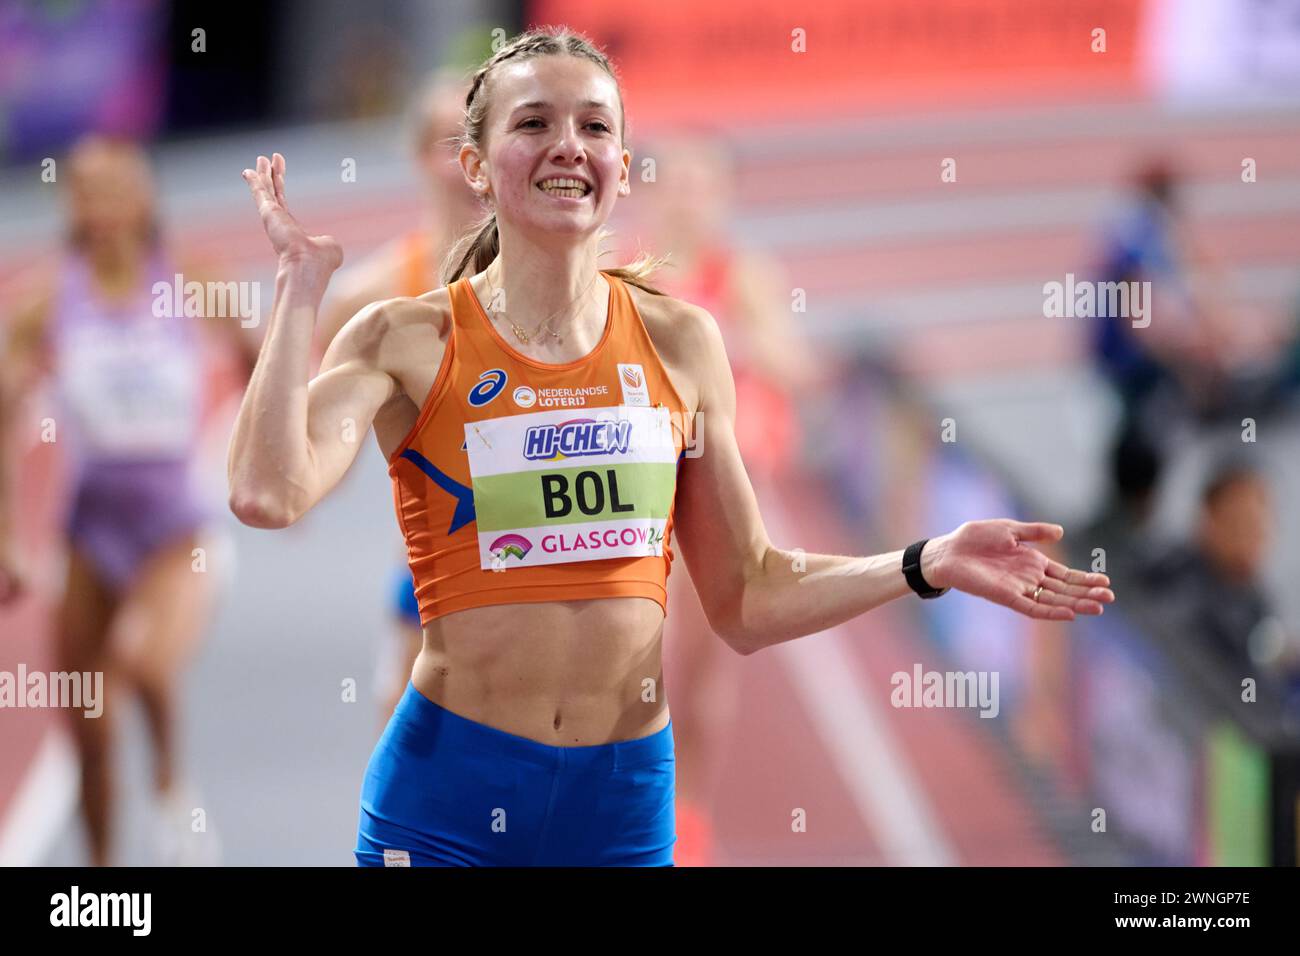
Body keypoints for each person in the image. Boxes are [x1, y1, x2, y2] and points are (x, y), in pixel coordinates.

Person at [229, 27, 1114, 867]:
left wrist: (930, 560)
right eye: (533, 123)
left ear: (619, 164)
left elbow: (747, 593)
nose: (568, 144)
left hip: (621, 799)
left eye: (595, 126)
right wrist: (299, 292)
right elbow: (269, 494)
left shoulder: (681, 343)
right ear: (474, 165)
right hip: (455, 789)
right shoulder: (404, 338)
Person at [0, 135, 255, 865]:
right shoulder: (47, 299)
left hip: (176, 530)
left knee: (144, 663)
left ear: (145, 199)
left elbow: (256, 361)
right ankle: (102, 879)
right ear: (68, 205)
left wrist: (267, 471)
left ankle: (173, 784)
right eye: (85, 192)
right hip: (90, 533)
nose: (101, 207)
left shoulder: (189, 276)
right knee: (87, 726)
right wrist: (7, 536)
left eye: (116, 190)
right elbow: (5, 413)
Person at [633, 133, 819, 864]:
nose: (687, 198)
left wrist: (727, 341)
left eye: (700, 185)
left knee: (703, 658)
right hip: (639, 487)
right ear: (651, 193)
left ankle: (693, 814)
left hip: (715, 487)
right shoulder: (625, 273)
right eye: (674, 183)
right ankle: (638, 802)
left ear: (723, 196)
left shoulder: (744, 276)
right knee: (640, 655)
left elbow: (794, 365)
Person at [316, 69, 481, 724]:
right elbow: (323, 454)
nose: (465, 160)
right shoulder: (371, 297)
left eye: (478, 135)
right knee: (410, 744)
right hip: (434, 566)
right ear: (418, 158)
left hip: (545, 557)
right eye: (448, 142)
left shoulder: (558, 279)